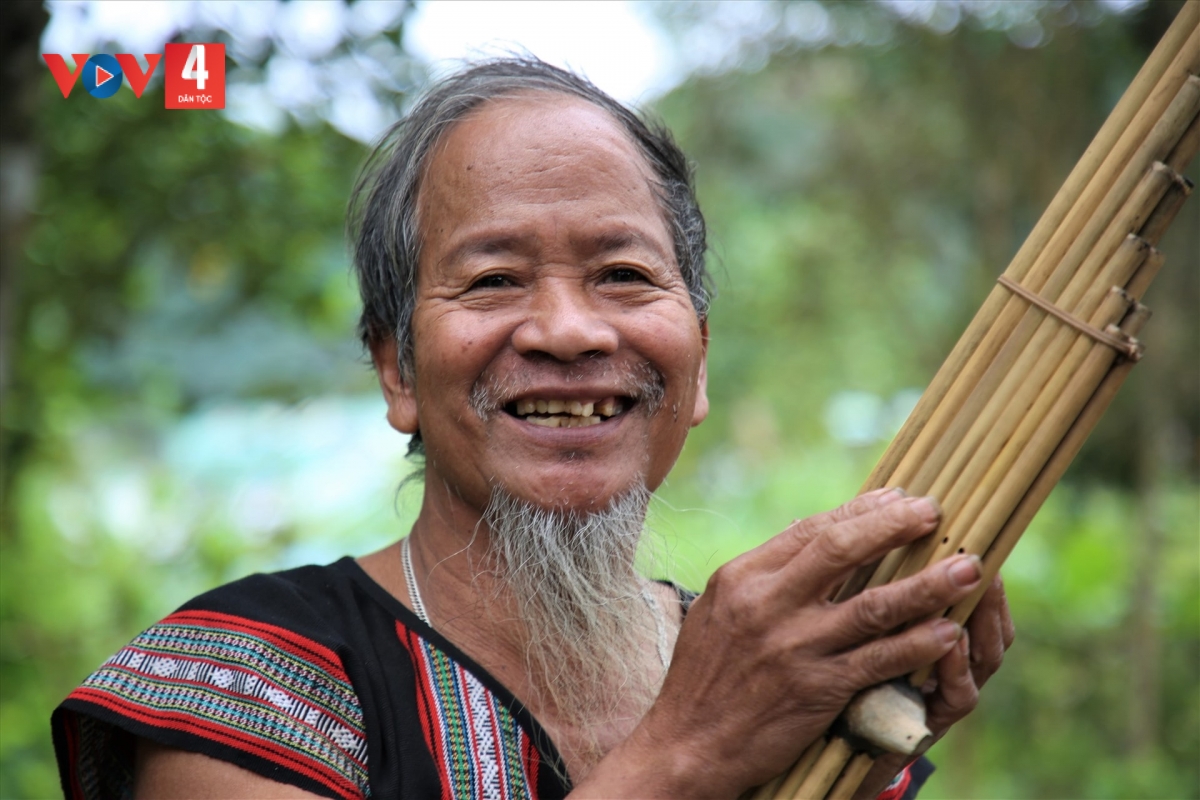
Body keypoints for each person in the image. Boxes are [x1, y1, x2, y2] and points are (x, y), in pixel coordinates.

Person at [52, 58, 1013, 800]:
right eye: (494, 279)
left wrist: (848, 757)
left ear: (700, 361)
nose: (568, 330)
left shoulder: (776, 675)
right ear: (398, 370)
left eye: (624, 275)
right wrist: (689, 753)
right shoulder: (246, 687)